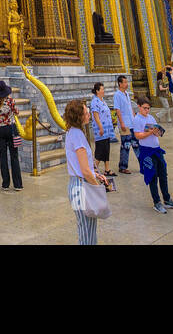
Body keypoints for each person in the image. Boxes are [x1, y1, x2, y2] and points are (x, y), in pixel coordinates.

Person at [64, 99, 110, 245]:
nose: (89, 114)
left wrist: (95, 174)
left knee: (88, 230)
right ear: (79, 116)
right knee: (86, 233)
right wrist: (97, 186)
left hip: (78, 183)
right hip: (81, 186)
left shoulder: (73, 132)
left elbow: (82, 166)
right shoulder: (77, 135)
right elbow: (84, 170)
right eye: (86, 112)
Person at [131, 95, 173, 212]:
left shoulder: (151, 118)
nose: (147, 110)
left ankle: (167, 199)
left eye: (148, 108)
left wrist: (157, 132)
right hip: (147, 151)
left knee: (163, 175)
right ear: (139, 107)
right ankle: (156, 202)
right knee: (152, 177)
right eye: (144, 108)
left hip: (156, 149)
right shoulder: (137, 119)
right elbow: (137, 136)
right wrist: (149, 133)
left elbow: (156, 133)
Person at [0, 80, 23, 192]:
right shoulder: (11, 102)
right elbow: (16, 112)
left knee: (3, 156)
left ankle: (5, 184)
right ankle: (17, 184)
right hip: (11, 129)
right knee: (14, 156)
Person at [89, 82, 115, 179]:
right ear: (97, 91)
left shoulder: (102, 100)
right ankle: (93, 168)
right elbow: (96, 116)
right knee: (100, 149)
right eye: (102, 89)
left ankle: (107, 169)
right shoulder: (94, 102)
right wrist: (100, 127)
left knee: (106, 149)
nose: (103, 91)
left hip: (107, 129)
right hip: (101, 129)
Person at [113, 75, 136, 174]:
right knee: (125, 145)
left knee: (136, 143)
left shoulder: (126, 94)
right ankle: (123, 166)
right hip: (125, 124)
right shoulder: (117, 95)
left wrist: (135, 118)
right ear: (120, 84)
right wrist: (121, 123)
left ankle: (143, 164)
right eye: (125, 82)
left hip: (131, 122)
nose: (127, 84)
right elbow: (117, 110)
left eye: (127, 82)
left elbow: (130, 107)